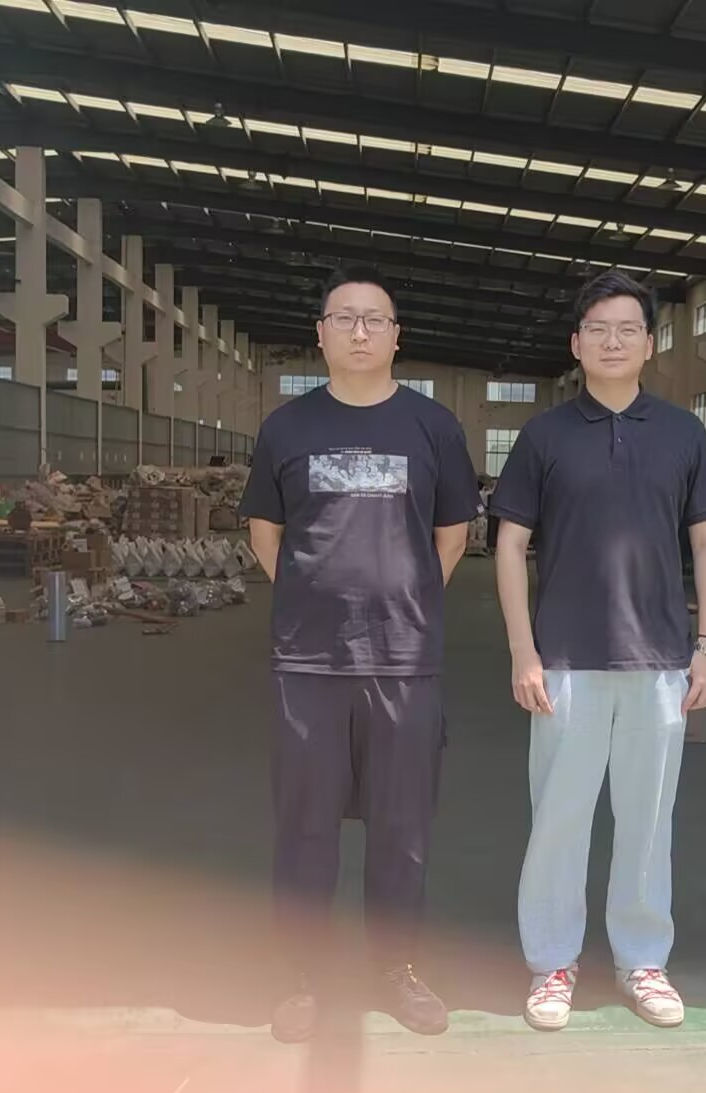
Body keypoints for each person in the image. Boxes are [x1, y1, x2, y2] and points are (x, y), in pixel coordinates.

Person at [237, 264, 481, 1044]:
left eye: (375, 319)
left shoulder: (433, 426)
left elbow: (452, 535)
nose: (360, 331)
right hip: (308, 663)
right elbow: (266, 533)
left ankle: (395, 968)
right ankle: (299, 974)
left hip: (405, 660)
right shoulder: (287, 427)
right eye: (344, 318)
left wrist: (401, 600)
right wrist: (315, 599)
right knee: (305, 825)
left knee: (401, 828)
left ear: (396, 335)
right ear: (321, 334)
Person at [489, 270, 706, 1032]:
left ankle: (642, 959)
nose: (613, 341)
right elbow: (511, 542)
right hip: (565, 661)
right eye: (598, 328)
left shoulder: (683, 434)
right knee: (558, 819)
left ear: (649, 344)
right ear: (576, 343)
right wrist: (523, 650)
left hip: (659, 662)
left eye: (628, 329)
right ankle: (552, 961)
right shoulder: (545, 436)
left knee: (648, 820)